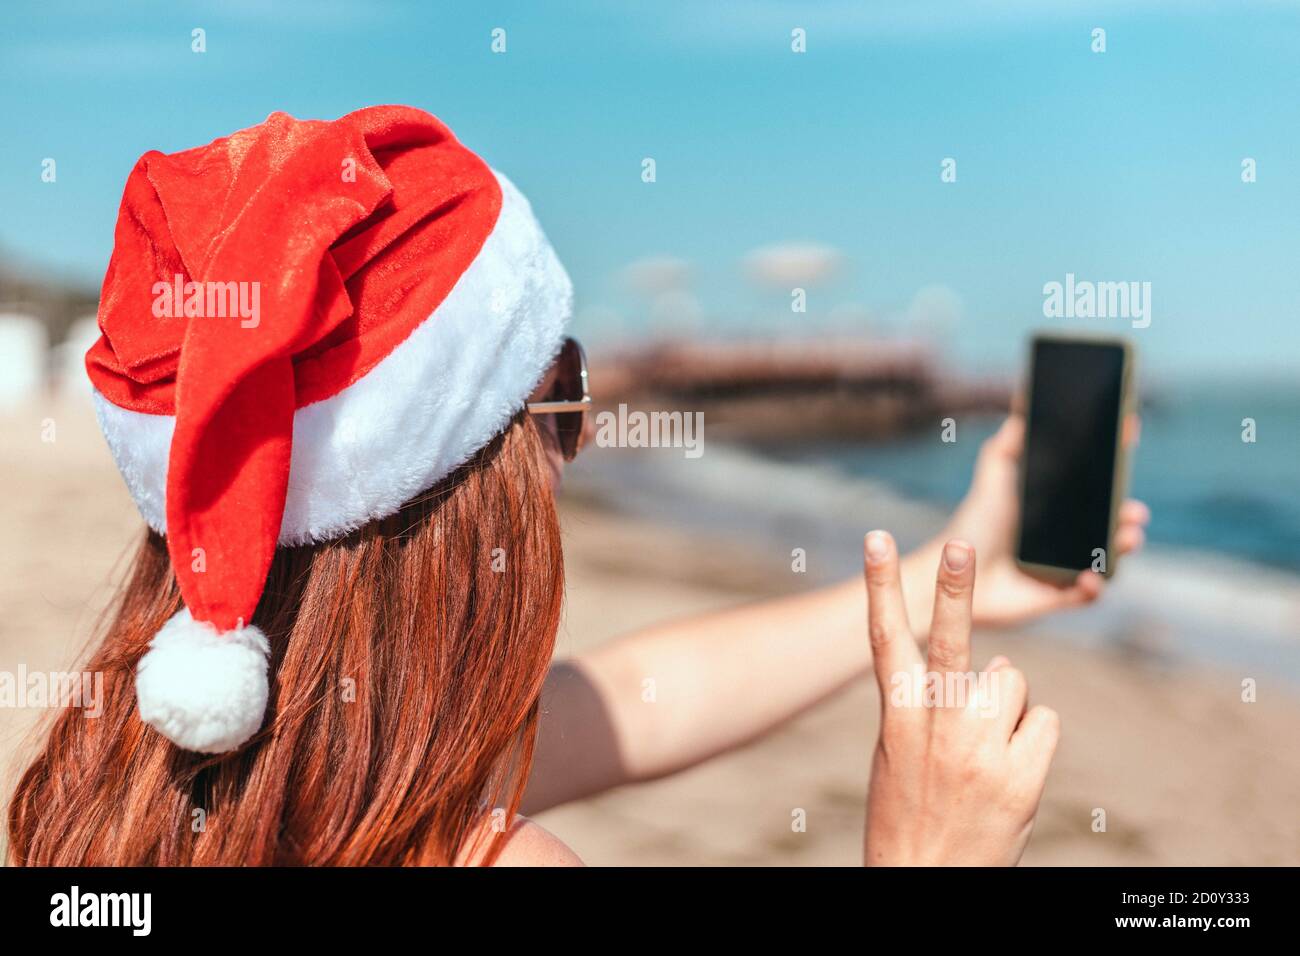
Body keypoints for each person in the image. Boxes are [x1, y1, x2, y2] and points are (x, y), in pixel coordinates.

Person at [7, 106, 1149, 866]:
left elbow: (640, 699)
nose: (587, 432)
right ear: (454, 485)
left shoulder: (118, 781)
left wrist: (949, 569)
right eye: (560, 387)